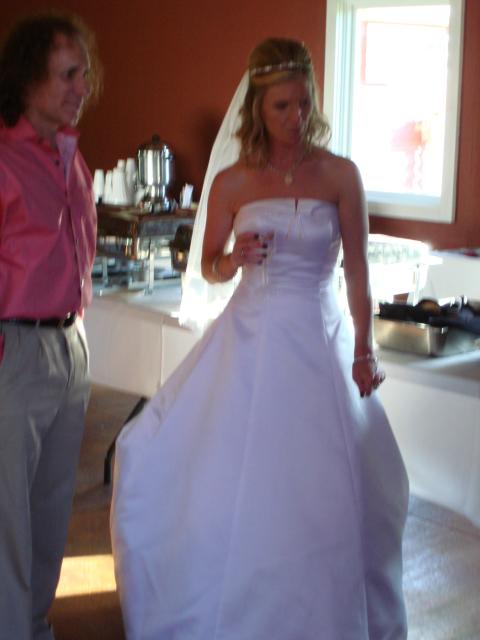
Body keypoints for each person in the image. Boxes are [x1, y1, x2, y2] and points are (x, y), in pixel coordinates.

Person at [111, 37, 409, 640]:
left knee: (330, 486)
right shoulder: (233, 182)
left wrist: (364, 348)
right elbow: (207, 267)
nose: (296, 117)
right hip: (251, 335)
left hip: (320, 338)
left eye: (303, 103)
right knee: (221, 473)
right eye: (281, 106)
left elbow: (357, 271)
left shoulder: (340, 175)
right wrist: (234, 258)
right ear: (257, 108)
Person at [0, 13, 100, 640]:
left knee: (50, 507)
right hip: (16, 345)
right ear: (28, 77)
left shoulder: (70, 154)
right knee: (7, 519)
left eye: (84, 74)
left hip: (70, 343)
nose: (81, 88)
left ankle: (33, 625)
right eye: (68, 75)